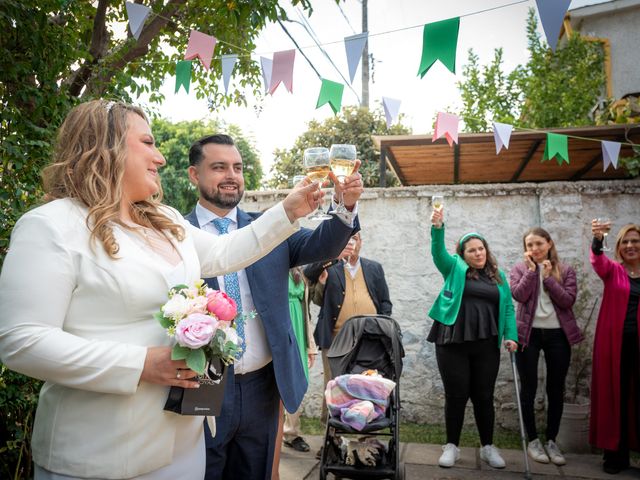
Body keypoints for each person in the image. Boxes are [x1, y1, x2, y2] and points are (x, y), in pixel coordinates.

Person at [0, 100, 325, 479]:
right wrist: (140, 365)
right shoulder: (50, 226)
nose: (160, 158)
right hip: (100, 454)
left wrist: (288, 210)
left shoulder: (163, 220)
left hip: (184, 446)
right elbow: (21, 341)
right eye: (149, 142)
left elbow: (224, 252)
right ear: (107, 146)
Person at [184, 134, 362, 480]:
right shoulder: (176, 233)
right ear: (194, 175)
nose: (231, 175)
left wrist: (345, 205)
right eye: (218, 167)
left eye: (237, 167)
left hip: (262, 387)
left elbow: (324, 243)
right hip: (201, 383)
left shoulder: (270, 227)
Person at [427, 206, 517, 470]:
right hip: (452, 341)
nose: (478, 253)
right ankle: (452, 447)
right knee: (456, 395)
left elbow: (509, 308)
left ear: (486, 251)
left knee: (484, 396)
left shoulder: (499, 278)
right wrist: (438, 227)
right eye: (472, 250)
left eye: (481, 248)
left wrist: (511, 336)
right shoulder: (454, 268)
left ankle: (488, 447)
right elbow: (438, 253)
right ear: (463, 255)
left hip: (486, 344)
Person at [509, 227, 584, 466]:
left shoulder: (566, 270)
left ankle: (552, 440)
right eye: (529, 245)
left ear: (549, 244)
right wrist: (532, 273)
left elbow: (567, 301)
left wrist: (549, 278)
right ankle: (533, 440)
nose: (534, 249)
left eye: (539, 244)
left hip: (558, 336)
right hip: (528, 336)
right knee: (528, 388)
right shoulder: (520, 269)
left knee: (555, 389)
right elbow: (519, 295)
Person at [304, 231, 392, 426]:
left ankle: (363, 431)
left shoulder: (374, 268)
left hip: (369, 341)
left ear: (361, 242)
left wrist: (381, 331)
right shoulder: (331, 266)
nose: (352, 242)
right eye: (347, 238)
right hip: (335, 340)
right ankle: (332, 438)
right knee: (334, 387)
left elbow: (385, 303)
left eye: (356, 238)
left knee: (366, 385)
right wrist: (334, 255)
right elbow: (309, 274)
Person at [589, 221, 640, 474]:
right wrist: (597, 240)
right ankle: (615, 456)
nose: (631, 246)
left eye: (635, 241)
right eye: (625, 242)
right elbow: (598, 261)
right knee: (615, 398)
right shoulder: (614, 271)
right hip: (616, 347)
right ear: (619, 247)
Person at [271, 267, 318, 479]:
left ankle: (289, 434)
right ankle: (272, 455)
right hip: (281, 330)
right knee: (276, 393)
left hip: (298, 330)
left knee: (295, 385)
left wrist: (310, 344)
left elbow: (305, 309)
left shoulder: (299, 271)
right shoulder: (273, 268)